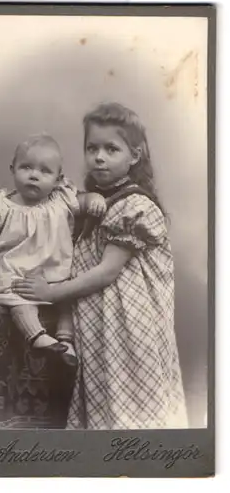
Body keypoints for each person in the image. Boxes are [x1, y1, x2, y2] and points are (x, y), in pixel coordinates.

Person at [12, 103, 188, 429]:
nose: (99, 157)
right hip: (98, 321)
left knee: (135, 401)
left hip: (131, 324)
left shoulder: (135, 206)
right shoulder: (90, 202)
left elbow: (106, 272)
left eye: (111, 149)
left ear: (134, 156)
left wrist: (48, 292)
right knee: (104, 397)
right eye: (92, 148)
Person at [0, 133, 106, 362]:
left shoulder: (61, 199)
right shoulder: (3, 205)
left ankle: (65, 341)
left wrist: (95, 198)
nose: (34, 175)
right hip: (15, 272)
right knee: (19, 301)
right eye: (26, 167)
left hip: (52, 272)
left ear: (58, 178)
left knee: (66, 300)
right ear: (13, 169)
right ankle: (38, 337)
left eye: (45, 171)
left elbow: (84, 202)